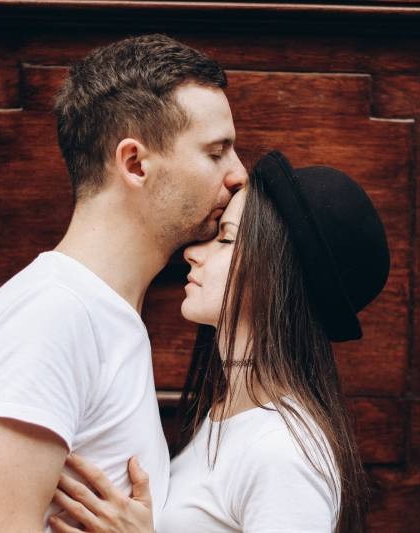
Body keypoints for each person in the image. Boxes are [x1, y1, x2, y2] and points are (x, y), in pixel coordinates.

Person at [0, 34, 248, 532]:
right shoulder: (52, 316)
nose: (238, 175)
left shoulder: (99, 315)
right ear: (135, 163)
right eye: (216, 153)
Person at [48, 150, 391, 533]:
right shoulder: (227, 412)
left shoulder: (282, 451)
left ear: (276, 275)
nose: (193, 253)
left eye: (224, 238)